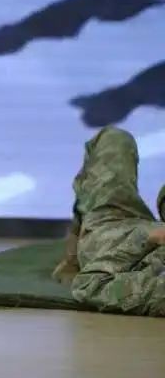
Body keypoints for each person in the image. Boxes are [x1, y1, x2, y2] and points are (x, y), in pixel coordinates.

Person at [51, 127, 165, 317]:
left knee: (114, 138)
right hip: (143, 224)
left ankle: (72, 254)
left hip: (107, 231)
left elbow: (89, 285)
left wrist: (146, 238)